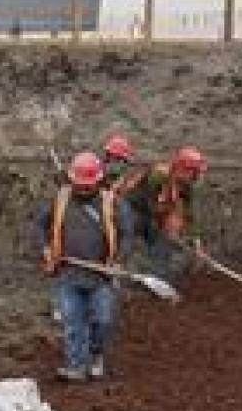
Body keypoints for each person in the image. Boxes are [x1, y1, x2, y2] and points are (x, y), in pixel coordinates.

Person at [39, 152, 131, 382]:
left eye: (87, 187)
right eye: (78, 186)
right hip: (68, 273)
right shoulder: (59, 200)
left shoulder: (112, 203)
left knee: (103, 319)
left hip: (101, 276)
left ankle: (96, 355)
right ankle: (76, 366)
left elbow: (126, 234)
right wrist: (46, 248)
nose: (81, 190)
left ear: (97, 182)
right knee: (72, 321)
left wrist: (119, 260)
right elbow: (40, 225)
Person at [132, 144, 207, 280]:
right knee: (159, 237)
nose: (197, 176)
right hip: (133, 210)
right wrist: (164, 225)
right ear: (183, 170)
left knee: (165, 244)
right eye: (195, 172)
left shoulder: (186, 185)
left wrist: (196, 241)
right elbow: (147, 204)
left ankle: (158, 278)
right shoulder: (158, 176)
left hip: (154, 212)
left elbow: (189, 214)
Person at [100, 133, 143, 198]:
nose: (112, 162)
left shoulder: (131, 178)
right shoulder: (99, 174)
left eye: (118, 159)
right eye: (109, 156)